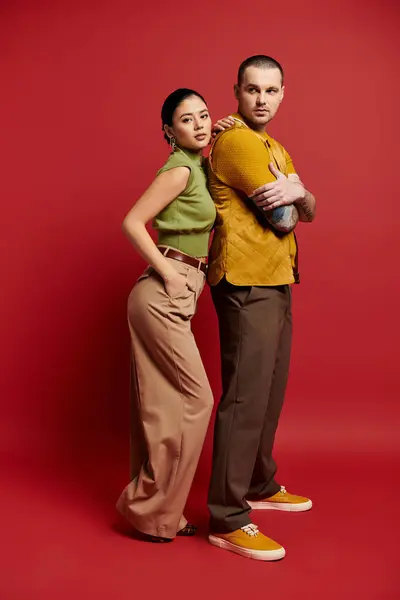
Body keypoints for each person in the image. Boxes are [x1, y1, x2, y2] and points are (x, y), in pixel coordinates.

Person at [206, 55, 317, 561]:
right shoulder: (237, 142)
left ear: (283, 94)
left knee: (269, 390)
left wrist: (302, 191)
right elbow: (284, 219)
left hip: (275, 278)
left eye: (271, 91)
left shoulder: (273, 144)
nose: (262, 100)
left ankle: (258, 483)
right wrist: (297, 195)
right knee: (245, 397)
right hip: (245, 279)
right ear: (237, 91)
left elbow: (304, 204)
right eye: (252, 90)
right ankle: (228, 516)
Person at [116, 88, 215, 543]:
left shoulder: (197, 164)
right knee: (197, 401)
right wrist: (171, 277)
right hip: (165, 291)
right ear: (168, 132)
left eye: (204, 116)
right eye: (186, 119)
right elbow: (133, 222)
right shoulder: (179, 169)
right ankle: (157, 511)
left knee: (161, 408)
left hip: (172, 292)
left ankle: (152, 512)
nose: (198, 124)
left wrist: (222, 129)